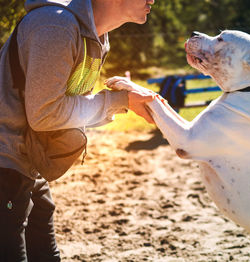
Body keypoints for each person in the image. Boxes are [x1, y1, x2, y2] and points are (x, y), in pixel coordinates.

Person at [0, 0, 156, 261]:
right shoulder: (56, 25)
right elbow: (45, 114)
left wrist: (119, 101)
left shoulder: (96, 37)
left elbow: (66, 109)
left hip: (27, 161)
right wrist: (117, 101)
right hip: (5, 162)